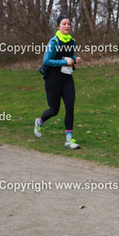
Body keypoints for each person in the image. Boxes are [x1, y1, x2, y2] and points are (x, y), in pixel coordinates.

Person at [34, 15, 82, 149]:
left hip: (67, 78)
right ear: (58, 26)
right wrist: (63, 62)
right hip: (53, 79)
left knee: (70, 108)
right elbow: (46, 61)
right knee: (54, 110)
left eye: (68, 23)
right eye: (64, 23)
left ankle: (69, 140)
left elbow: (69, 56)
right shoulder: (53, 42)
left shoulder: (72, 41)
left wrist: (75, 59)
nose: (67, 26)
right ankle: (39, 122)